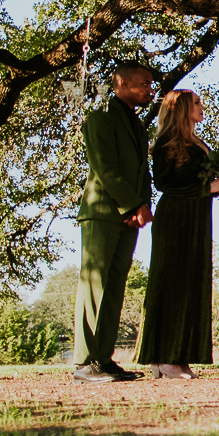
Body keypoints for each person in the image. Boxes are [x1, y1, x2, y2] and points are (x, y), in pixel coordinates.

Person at [137, 89, 219, 379]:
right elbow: (165, 184)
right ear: (180, 109)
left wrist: (218, 183)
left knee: (192, 281)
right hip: (176, 216)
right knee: (173, 280)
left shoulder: (199, 142)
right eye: (197, 103)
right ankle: (163, 355)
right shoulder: (167, 141)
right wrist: (207, 188)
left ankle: (180, 355)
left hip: (197, 216)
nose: (202, 107)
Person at [73, 61, 155, 383]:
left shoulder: (136, 125)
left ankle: (103, 359)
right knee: (93, 285)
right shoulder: (100, 118)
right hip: (103, 213)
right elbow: (105, 167)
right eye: (144, 82)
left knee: (115, 287)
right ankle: (83, 362)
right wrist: (132, 204)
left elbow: (141, 171)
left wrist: (144, 205)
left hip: (130, 216)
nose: (150, 89)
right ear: (121, 82)